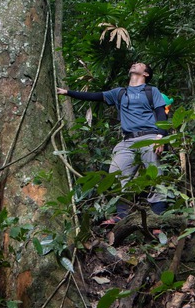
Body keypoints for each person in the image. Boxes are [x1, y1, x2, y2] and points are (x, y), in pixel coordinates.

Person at [57, 61, 169, 224]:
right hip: (127, 140)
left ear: (146, 73)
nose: (134, 64)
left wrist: (161, 137)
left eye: (139, 64)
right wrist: (67, 92)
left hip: (149, 136)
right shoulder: (119, 93)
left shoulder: (152, 91)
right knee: (116, 172)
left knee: (155, 173)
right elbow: (95, 96)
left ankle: (158, 216)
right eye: (134, 63)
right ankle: (123, 214)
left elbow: (161, 114)